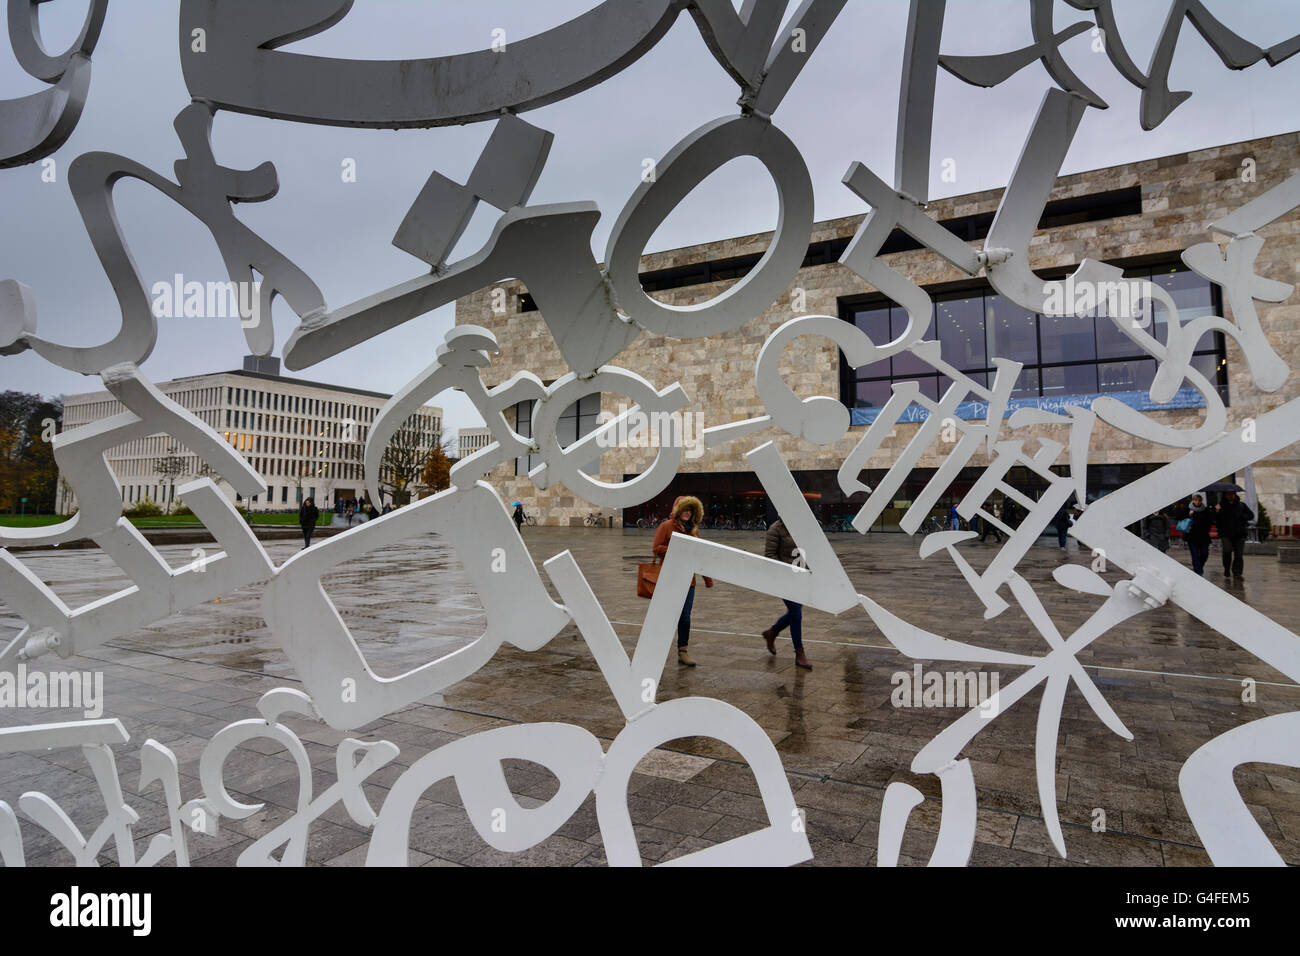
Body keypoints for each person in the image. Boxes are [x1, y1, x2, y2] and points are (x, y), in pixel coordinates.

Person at [652, 496, 712, 667]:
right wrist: (677, 548)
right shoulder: (666, 526)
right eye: (685, 510)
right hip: (669, 578)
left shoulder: (694, 530)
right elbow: (656, 548)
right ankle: (657, 650)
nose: (687, 513)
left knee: (685, 617)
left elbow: (699, 555)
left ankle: (683, 651)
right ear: (678, 510)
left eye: (690, 510)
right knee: (666, 616)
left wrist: (707, 578)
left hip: (688, 581)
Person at [760, 517, 811, 670]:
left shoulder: (801, 526)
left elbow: (808, 551)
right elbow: (770, 555)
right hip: (784, 578)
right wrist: (786, 572)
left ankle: (772, 632)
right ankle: (799, 653)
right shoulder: (775, 529)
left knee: (795, 612)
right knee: (796, 613)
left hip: (801, 577)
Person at [1214, 490, 1253, 580]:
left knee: (1239, 554)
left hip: (1240, 534)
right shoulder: (1221, 506)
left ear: (1235, 495)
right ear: (1225, 495)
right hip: (1226, 534)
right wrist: (1217, 511)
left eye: (1232, 494)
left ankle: (1237, 573)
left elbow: (1251, 515)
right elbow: (1216, 520)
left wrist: (1243, 516)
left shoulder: (1241, 505)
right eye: (1228, 494)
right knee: (1227, 550)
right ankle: (1227, 568)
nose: (1230, 496)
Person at [1186, 494, 1213, 576]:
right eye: (1195, 500)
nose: (1197, 502)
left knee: (1205, 554)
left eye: (1199, 500)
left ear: (1201, 501)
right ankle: (1198, 572)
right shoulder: (1188, 509)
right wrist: (1189, 515)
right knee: (1195, 555)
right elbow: (1180, 518)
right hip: (1192, 536)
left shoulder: (1206, 510)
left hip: (1203, 536)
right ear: (1193, 501)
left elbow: (1210, 520)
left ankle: (1199, 567)